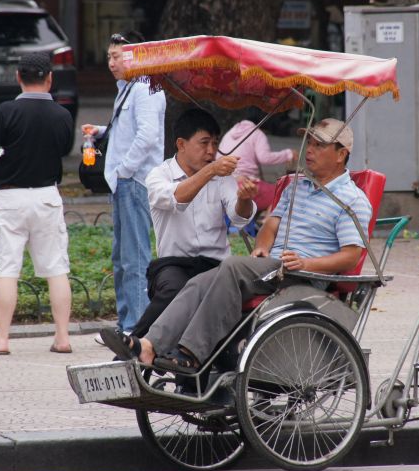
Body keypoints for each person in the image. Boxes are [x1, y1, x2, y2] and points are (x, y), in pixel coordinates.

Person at [101, 118, 372, 373]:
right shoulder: (296, 187)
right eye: (309, 143)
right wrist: (262, 247)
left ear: (341, 154)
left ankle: (192, 352)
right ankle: (149, 345)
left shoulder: (352, 199)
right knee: (198, 282)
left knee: (230, 266)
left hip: (304, 275)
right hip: (273, 268)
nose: (309, 150)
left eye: (319, 145)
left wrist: (307, 263)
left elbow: (351, 256)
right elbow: (270, 227)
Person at [125, 108, 257, 339]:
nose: (211, 151)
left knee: (230, 297)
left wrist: (245, 199)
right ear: (181, 144)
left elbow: (239, 218)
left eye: (215, 143)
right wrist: (210, 171)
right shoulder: (159, 175)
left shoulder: (222, 177)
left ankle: (154, 349)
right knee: (175, 289)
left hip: (216, 265)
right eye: (204, 143)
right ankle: (136, 343)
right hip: (173, 264)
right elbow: (176, 198)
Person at [0, 52, 73, 355]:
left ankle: (1, 339)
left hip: (9, 197)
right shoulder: (62, 115)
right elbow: (63, 149)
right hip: (47, 196)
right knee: (56, 268)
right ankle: (63, 338)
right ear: (50, 79)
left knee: (6, 269)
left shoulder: (6, 111)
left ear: (18, 77)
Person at [82, 32, 165, 335]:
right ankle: (125, 324)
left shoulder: (145, 88)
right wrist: (102, 130)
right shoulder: (129, 88)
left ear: (137, 57)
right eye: (109, 56)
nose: (111, 62)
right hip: (123, 184)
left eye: (117, 56)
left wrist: (124, 171)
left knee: (135, 259)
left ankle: (136, 331)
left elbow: (148, 136)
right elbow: (130, 131)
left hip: (134, 182)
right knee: (121, 258)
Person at [217, 119, 298, 211]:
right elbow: (264, 158)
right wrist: (288, 154)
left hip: (223, 186)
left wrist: (233, 175)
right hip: (244, 186)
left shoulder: (230, 133)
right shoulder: (257, 133)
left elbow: (218, 157)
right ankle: (268, 217)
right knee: (283, 193)